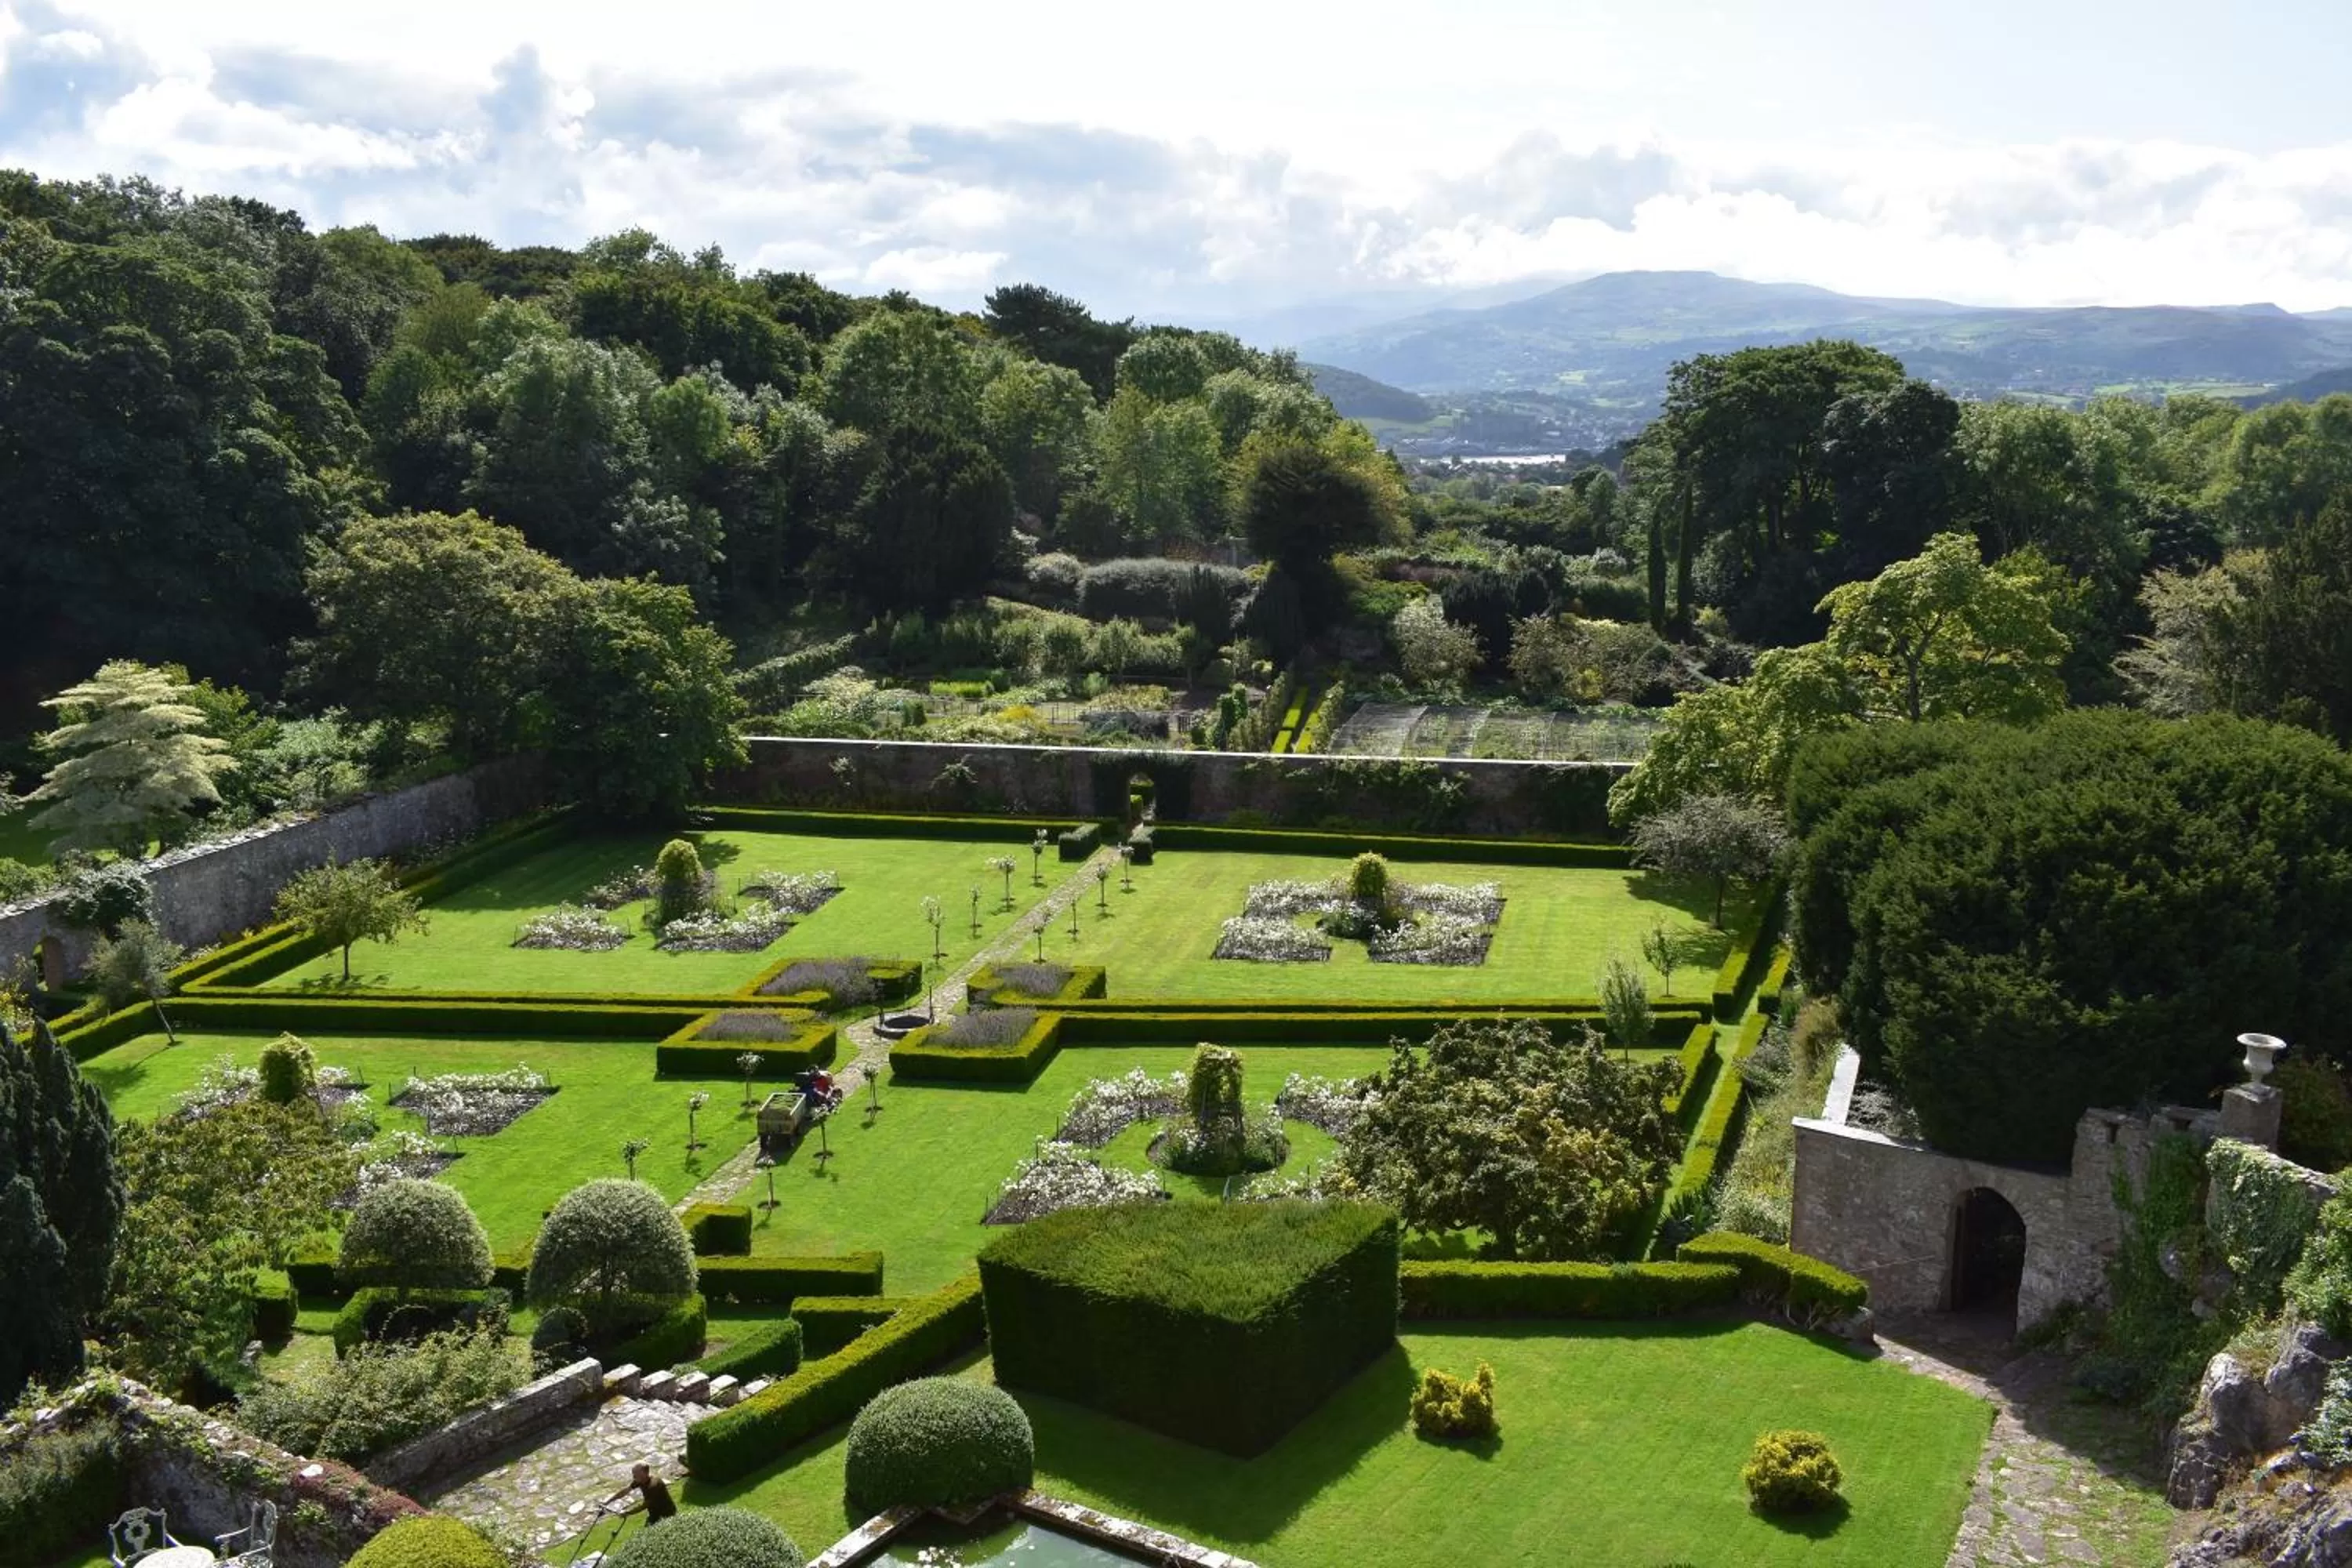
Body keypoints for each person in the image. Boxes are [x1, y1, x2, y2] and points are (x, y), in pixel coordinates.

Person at [604, 1462, 676, 1527]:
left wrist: (627, 1513)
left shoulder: (653, 1485)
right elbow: (626, 1491)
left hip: (666, 1513)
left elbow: (644, 1506)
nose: (633, 1477)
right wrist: (609, 1501)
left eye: (635, 1475)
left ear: (644, 1474)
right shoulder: (640, 1480)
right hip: (654, 1513)